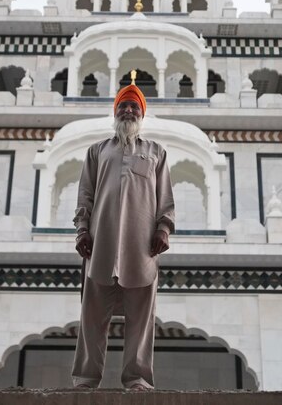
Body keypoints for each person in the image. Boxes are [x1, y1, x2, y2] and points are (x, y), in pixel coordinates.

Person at [72, 83, 175, 391]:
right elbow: (85, 195)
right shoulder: (97, 151)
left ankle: (138, 380)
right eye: (123, 106)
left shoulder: (156, 152)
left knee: (142, 319)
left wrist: (163, 229)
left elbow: (166, 197)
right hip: (100, 243)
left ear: (142, 114)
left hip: (141, 246)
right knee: (92, 317)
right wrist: (81, 230)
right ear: (114, 112)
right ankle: (85, 380)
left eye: (134, 107)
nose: (128, 111)